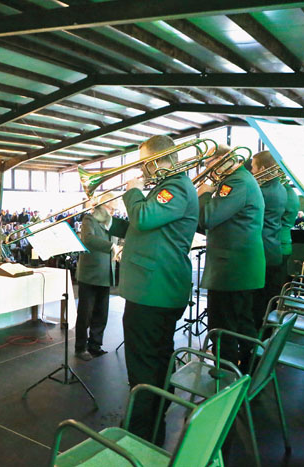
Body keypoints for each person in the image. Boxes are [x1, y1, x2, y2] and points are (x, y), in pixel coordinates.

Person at [119, 135, 199, 443]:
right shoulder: (170, 187)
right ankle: (154, 417)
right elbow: (146, 229)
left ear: (156, 160)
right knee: (157, 357)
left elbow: (144, 216)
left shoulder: (176, 186)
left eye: (143, 163)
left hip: (154, 290)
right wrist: (106, 222)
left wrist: (133, 193)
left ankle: (139, 433)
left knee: (143, 364)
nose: (142, 170)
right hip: (154, 288)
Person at [199, 144, 265, 372]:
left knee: (222, 328)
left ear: (223, 159)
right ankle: (249, 371)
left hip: (232, 270)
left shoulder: (236, 182)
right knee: (242, 323)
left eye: (209, 163)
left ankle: (224, 379)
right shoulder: (241, 179)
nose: (207, 169)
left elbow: (208, 216)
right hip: (240, 268)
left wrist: (205, 193)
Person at [74, 192, 128, 361]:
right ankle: (80, 347)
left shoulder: (109, 223)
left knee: (101, 314)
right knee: (85, 314)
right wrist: (111, 246)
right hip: (90, 275)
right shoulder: (89, 220)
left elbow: (117, 242)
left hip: (105, 275)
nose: (113, 213)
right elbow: (88, 239)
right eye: (112, 209)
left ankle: (95, 345)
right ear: (103, 207)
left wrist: (120, 248)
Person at [250, 152, 287, 330]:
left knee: (257, 308)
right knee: (267, 305)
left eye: (253, 167)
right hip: (273, 248)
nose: (251, 170)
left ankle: (256, 352)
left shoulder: (262, 191)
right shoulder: (280, 187)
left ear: (263, 169)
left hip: (263, 250)